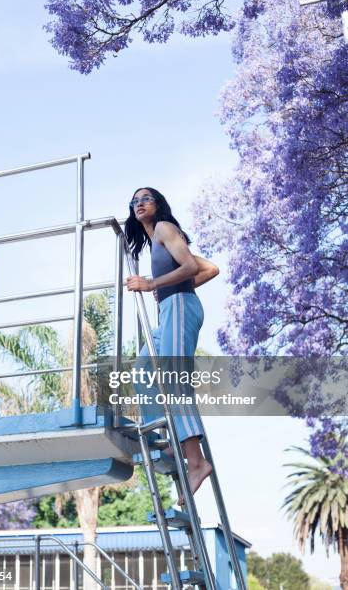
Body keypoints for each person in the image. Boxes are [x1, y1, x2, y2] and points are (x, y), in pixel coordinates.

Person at [124, 187, 220, 505]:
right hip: (170, 309)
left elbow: (191, 268)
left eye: (145, 199)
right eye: (134, 201)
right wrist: (167, 285)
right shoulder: (157, 240)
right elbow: (210, 269)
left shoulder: (165, 228)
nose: (139, 204)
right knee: (142, 369)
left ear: (158, 204)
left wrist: (154, 284)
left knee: (174, 381)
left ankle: (197, 462)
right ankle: (169, 437)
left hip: (180, 306)